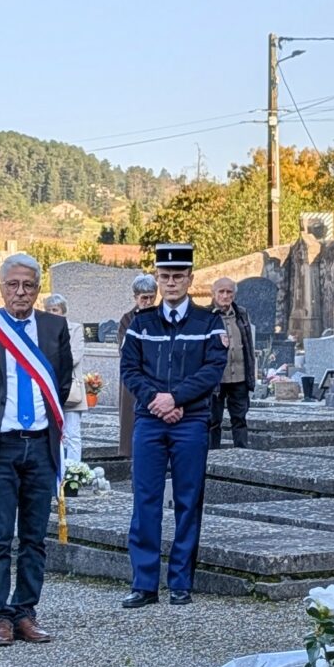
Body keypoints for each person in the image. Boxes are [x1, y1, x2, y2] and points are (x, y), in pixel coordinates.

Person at [0, 252, 77, 646]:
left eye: (28, 285)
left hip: (40, 446)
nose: (20, 292)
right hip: (0, 446)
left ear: (38, 288)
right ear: (1, 288)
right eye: (12, 285)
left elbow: (61, 381)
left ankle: (25, 611)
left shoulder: (54, 327)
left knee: (33, 537)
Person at [122, 243, 228, 607]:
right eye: (165, 276)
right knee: (145, 499)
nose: (171, 283)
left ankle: (181, 582)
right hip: (150, 420)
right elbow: (129, 369)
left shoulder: (208, 323)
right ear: (157, 278)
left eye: (178, 276)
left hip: (191, 420)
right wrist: (157, 400)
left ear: (190, 279)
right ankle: (144, 583)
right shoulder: (141, 323)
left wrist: (177, 399)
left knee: (188, 500)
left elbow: (213, 370)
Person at [207, 277, 259, 448]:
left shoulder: (241, 314)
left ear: (234, 295)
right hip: (216, 378)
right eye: (221, 292)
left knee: (240, 419)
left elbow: (248, 344)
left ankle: (241, 453)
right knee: (213, 421)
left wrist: (251, 375)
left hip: (239, 376)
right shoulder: (206, 315)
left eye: (229, 292)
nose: (225, 295)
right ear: (213, 293)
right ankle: (212, 455)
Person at [115, 273, 154, 458]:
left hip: (156, 377)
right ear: (136, 297)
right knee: (132, 422)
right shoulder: (127, 319)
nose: (148, 302)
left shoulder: (160, 315)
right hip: (134, 377)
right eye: (144, 298)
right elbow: (126, 350)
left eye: (151, 297)